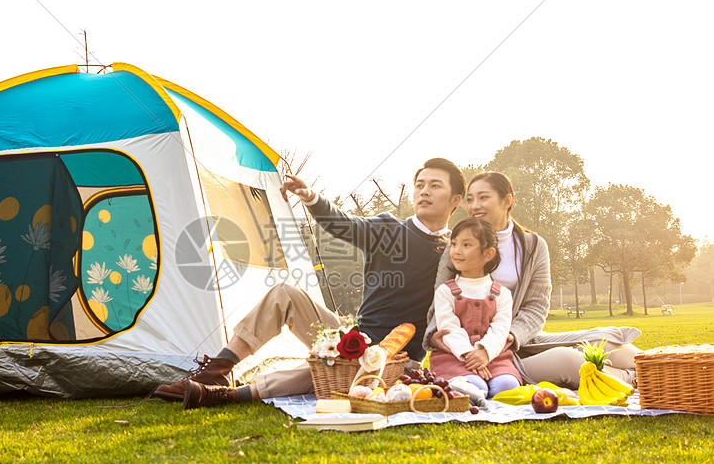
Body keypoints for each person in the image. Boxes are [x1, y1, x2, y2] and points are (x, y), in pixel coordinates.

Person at [156, 157, 466, 409]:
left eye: (434, 186)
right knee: (285, 294)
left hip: (399, 360)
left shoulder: (457, 252)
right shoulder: (389, 228)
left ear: (455, 200)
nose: (424, 191)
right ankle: (218, 372)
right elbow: (344, 225)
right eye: (419, 185)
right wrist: (311, 198)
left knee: (329, 369)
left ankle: (231, 396)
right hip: (356, 338)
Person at [425, 172, 641, 386]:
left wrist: (510, 335)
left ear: (507, 201)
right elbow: (440, 303)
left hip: (518, 339)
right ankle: (633, 379)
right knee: (568, 361)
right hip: (476, 352)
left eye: (483, 197)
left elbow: (536, 307)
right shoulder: (458, 246)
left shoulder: (533, 246)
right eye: (470, 199)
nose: (474, 206)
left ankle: (661, 365)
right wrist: (436, 334)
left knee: (605, 342)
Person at [429, 217, 522, 399]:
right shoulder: (445, 291)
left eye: (466, 245)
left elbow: (500, 330)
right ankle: (466, 384)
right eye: (454, 244)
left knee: (507, 386)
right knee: (474, 388)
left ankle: (488, 381)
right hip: (455, 356)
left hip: (493, 357)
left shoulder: (502, 293)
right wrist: (470, 355)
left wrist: (485, 353)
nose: (456, 251)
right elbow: (449, 328)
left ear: (488, 254)